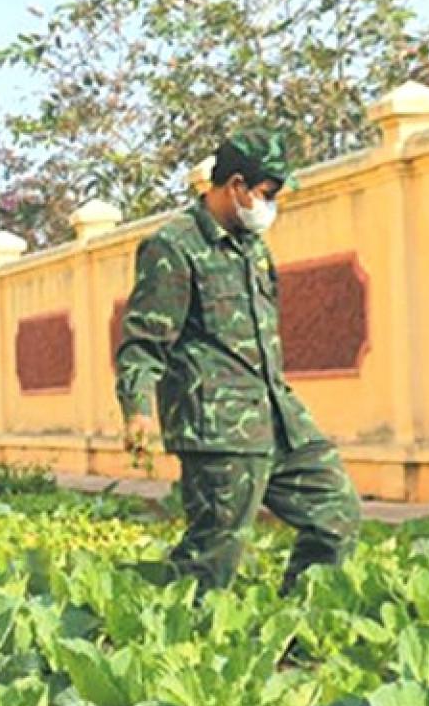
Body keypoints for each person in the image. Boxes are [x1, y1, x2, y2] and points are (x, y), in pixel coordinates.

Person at [115, 129, 361, 594]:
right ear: (235, 186)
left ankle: (298, 628)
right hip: (217, 427)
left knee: (337, 511)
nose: (270, 206)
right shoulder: (174, 247)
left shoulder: (252, 246)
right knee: (215, 552)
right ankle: (162, 638)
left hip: (278, 416)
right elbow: (144, 340)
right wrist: (138, 409)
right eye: (266, 194)